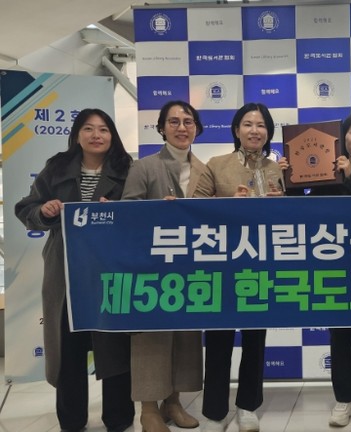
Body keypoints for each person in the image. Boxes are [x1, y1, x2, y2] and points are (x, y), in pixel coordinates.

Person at [15, 108, 135, 432]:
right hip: (66, 271)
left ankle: (119, 418)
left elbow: (142, 213)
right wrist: (44, 210)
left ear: (112, 136)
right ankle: (71, 420)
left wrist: (121, 213)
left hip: (110, 272)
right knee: (68, 349)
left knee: (114, 347)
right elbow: (26, 208)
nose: (96, 135)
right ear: (77, 135)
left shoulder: (127, 169)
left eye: (103, 129)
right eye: (88, 129)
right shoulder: (57, 167)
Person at [284, 111, 351, 430]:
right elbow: (305, 207)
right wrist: (290, 179)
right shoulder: (326, 163)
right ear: (343, 136)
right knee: (340, 336)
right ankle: (345, 399)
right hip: (335, 263)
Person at [194, 102, 284, 432]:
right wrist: (228, 203)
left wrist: (282, 204)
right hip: (222, 266)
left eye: (261, 125)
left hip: (260, 265)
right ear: (236, 130)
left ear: (268, 133)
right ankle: (215, 412)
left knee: (255, 340)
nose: (254, 131)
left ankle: (248, 406)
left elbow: (293, 218)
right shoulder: (216, 164)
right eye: (248, 124)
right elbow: (195, 206)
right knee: (218, 341)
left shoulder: (277, 169)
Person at [121, 100, 206, 432]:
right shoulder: (143, 167)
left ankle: (173, 402)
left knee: (185, 336)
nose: (182, 127)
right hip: (151, 267)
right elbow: (128, 213)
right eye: (174, 122)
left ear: (196, 128)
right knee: (151, 337)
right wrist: (157, 211)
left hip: (191, 267)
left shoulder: (204, 169)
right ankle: (148, 408)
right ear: (161, 128)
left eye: (188, 121)